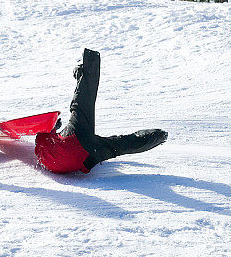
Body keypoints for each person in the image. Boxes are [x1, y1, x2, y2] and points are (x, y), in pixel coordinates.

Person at [33, 48, 168, 174]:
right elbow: (42, 136)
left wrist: (53, 129)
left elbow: (47, 143)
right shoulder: (44, 145)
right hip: (75, 143)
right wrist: (51, 127)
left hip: (88, 157)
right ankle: (87, 66)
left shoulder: (45, 157)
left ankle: (158, 136)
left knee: (121, 145)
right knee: (80, 105)